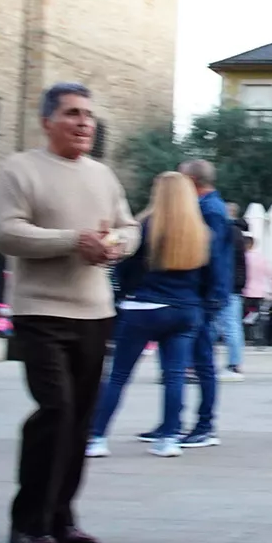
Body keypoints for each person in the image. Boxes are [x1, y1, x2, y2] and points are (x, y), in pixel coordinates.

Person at [0, 82, 137, 543]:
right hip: (41, 311)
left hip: (95, 312)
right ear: (47, 121)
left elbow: (129, 227)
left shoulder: (103, 175)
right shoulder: (19, 170)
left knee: (80, 418)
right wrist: (74, 240)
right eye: (73, 114)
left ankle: (61, 516)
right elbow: (5, 232)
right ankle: (29, 523)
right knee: (55, 410)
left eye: (89, 115)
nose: (84, 123)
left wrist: (115, 245)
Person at [87, 171, 213, 459]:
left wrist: (124, 296)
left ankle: (96, 437)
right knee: (175, 376)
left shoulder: (144, 226)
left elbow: (123, 271)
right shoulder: (200, 230)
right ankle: (169, 438)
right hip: (185, 309)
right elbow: (210, 276)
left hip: (143, 306)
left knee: (119, 375)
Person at [177, 161, 235, 446]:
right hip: (204, 293)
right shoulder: (211, 207)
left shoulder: (209, 210)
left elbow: (209, 255)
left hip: (204, 294)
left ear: (191, 180)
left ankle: (205, 425)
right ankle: (173, 422)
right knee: (190, 361)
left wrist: (210, 295)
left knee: (202, 362)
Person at [215, 201, 248, 382]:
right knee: (230, 325)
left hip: (227, 284)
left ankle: (234, 364)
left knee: (229, 326)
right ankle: (234, 363)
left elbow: (227, 262)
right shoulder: (238, 233)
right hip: (234, 284)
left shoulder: (230, 232)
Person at [241, 235, 272, 349]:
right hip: (260, 292)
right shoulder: (261, 258)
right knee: (259, 317)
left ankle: (244, 338)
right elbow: (270, 274)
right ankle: (259, 340)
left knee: (241, 316)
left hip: (245, 291)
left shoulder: (242, 257)